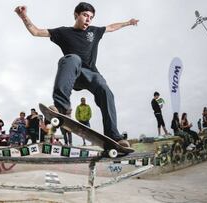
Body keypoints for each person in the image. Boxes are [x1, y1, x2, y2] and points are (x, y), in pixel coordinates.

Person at [15, 2, 138, 148]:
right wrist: (23, 16)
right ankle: (61, 108)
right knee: (72, 58)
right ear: (76, 15)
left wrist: (128, 23)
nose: (88, 20)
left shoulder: (94, 31)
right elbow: (36, 32)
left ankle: (114, 136)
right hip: (73, 72)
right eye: (85, 15)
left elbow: (111, 27)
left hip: (91, 74)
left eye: (91, 17)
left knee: (105, 89)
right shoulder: (63, 32)